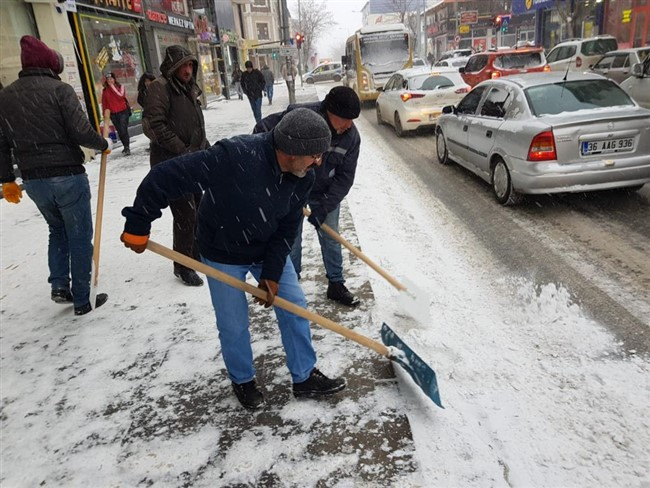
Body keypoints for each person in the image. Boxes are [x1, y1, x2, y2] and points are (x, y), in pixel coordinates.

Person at [121, 108, 347, 410]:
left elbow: (287, 228)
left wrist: (272, 271)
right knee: (233, 324)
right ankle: (243, 380)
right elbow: (166, 176)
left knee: (296, 308)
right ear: (293, 151)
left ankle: (304, 376)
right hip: (222, 250)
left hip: (265, 247)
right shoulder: (236, 156)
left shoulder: (303, 175)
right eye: (315, 154)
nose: (319, 162)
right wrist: (138, 222)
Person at [0, 35, 111, 315]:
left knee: (57, 229)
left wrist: (6, 179)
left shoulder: (6, 96)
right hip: (67, 176)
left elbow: (1, 143)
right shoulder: (59, 90)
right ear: (50, 64)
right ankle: (83, 299)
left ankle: (60, 285)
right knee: (78, 235)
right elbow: (81, 131)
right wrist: (104, 143)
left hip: (33, 180)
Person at [254, 86, 362, 307]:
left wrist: (325, 206)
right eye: (345, 118)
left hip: (325, 193)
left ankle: (336, 284)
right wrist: (273, 173)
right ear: (330, 111)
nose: (349, 124)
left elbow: (345, 178)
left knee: (332, 238)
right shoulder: (301, 118)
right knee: (291, 240)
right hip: (292, 191)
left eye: (352, 119)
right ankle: (291, 286)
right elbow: (262, 130)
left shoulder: (351, 137)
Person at [142, 45, 209, 287]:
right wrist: (183, 149)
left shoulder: (188, 89)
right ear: (173, 67)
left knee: (199, 207)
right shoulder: (159, 89)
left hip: (192, 161)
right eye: (184, 65)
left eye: (191, 65)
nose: (188, 70)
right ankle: (183, 266)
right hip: (170, 164)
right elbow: (154, 126)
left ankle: (196, 252)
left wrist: (205, 148)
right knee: (185, 214)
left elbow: (196, 124)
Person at [101, 72, 131, 156]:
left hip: (123, 112)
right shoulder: (105, 91)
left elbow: (120, 96)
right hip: (113, 114)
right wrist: (104, 114)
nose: (109, 80)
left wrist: (112, 86)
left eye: (111, 79)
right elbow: (104, 103)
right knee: (120, 131)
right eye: (108, 79)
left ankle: (127, 147)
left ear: (114, 79)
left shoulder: (121, 87)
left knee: (123, 129)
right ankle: (125, 146)